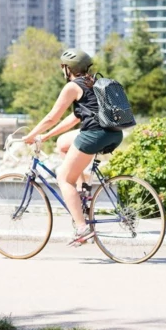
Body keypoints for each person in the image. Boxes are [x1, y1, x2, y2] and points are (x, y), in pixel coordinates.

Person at [22, 49, 123, 246]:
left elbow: (52, 117)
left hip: (94, 135)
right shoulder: (93, 83)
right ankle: (83, 190)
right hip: (114, 133)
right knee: (62, 144)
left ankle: (82, 228)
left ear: (67, 69)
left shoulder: (72, 87)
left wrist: (30, 135)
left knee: (62, 178)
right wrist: (46, 136)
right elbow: (74, 118)